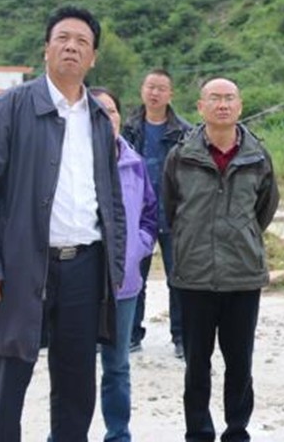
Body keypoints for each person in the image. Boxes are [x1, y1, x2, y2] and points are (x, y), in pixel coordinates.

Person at [0, 5, 126, 441]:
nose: (72, 47)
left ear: (93, 58)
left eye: (82, 42)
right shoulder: (10, 107)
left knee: (76, 387)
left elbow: (112, 201)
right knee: (9, 384)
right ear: (46, 49)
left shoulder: (98, 119)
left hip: (85, 267)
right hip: (20, 267)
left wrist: (114, 266)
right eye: (63, 39)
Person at [163, 77, 279, 442]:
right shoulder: (181, 156)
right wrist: (194, 238)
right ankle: (198, 432)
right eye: (215, 98)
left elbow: (265, 208)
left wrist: (240, 238)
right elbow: (171, 208)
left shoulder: (257, 156)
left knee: (239, 363)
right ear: (201, 107)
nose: (223, 105)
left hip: (242, 276)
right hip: (194, 275)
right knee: (197, 363)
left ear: (240, 106)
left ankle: (236, 431)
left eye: (229, 98)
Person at [91, 87, 158, 442]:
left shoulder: (134, 162)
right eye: (97, 111)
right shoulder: (72, 162)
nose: (106, 117)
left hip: (124, 283)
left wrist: (139, 247)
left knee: (117, 366)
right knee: (74, 366)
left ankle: (118, 434)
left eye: (112, 111)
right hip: (79, 280)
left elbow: (150, 212)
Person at [122, 68, 192, 357]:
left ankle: (182, 338)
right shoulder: (128, 129)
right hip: (138, 215)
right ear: (142, 90)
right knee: (133, 277)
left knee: (179, 279)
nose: (155, 93)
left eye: (161, 88)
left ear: (170, 94)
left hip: (175, 215)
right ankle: (130, 334)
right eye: (150, 87)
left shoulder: (184, 131)